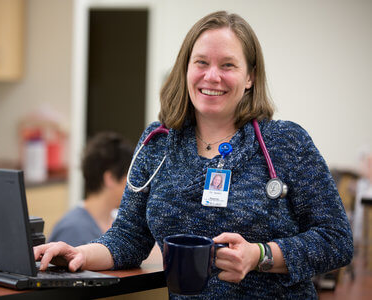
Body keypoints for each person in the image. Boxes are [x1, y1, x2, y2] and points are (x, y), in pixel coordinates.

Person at [34, 11, 353, 299]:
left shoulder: (286, 142)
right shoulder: (157, 142)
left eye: (228, 65)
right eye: (201, 62)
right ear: (186, 68)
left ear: (250, 77)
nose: (212, 76)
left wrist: (260, 255)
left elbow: (337, 241)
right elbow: (130, 236)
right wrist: (79, 253)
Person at [48, 132, 133, 246]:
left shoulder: (119, 221)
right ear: (110, 178)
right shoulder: (72, 230)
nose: (134, 185)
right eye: (130, 177)